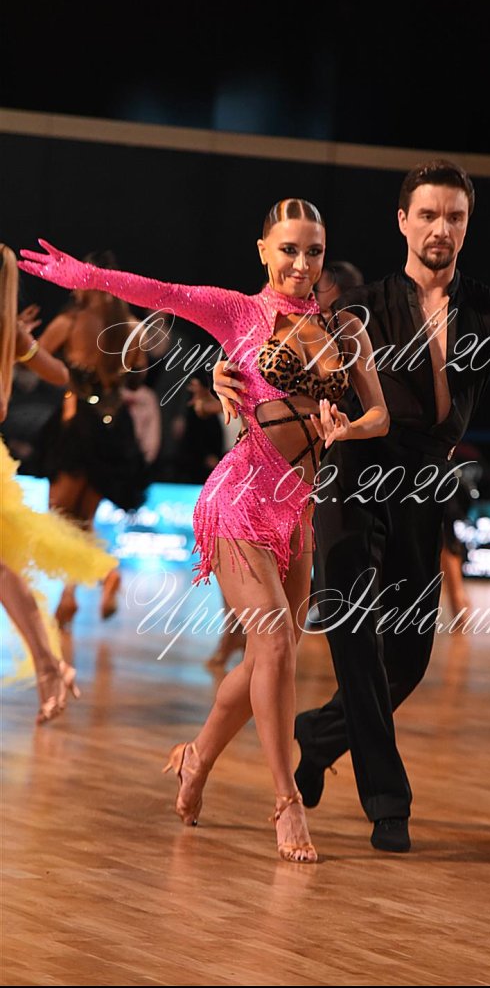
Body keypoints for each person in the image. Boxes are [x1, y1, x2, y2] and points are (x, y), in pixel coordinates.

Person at [214, 160, 490, 853]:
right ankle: (388, 804)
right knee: (355, 638)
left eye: (454, 216)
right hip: (352, 477)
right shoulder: (358, 307)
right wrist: (227, 373)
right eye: (427, 214)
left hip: (426, 483)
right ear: (403, 221)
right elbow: (272, 340)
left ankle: (317, 736)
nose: (440, 228)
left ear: (467, 225)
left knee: (411, 656)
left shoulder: (489, 308)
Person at [18, 198, 389, 864]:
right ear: (263, 250)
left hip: (299, 509)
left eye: (313, 251)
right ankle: (286, 801)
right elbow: (160, 292)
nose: (301, 264)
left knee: (267, 660)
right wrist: (89, 277)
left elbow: (379, 416)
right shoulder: (237, 312)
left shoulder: (344, 328)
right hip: (241, 497)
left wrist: (348, 428)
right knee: (273, 644)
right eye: (288, 249)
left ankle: (196, 758)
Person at [0, 243, 118, 724]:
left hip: (80, 431)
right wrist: (17, 343)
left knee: (25, 550)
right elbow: (59, 373)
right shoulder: (10, 331)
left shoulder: (55, 325)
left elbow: (62, 373)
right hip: (104, 427)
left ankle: (52, 660)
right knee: (10, 565)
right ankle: (52, 660)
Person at [33, 251, 150, 628]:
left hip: (77, 424)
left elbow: (34, 359)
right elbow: (138, 380)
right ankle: (71, 596)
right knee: (82, 520)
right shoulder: (133, 327)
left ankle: (103, 575)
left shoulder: (70, 321)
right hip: (113, 430)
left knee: (59, 517)